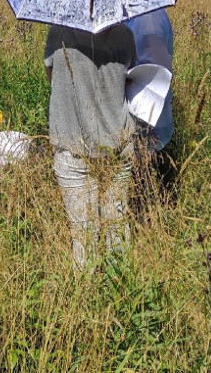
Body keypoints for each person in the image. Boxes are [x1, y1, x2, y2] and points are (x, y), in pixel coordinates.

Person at [43, 23, 140, 269]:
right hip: (117, 145)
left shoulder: (59, 32)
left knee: (83, 234)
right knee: (117, 228)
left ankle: (87, 299)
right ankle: (121, 291)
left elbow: (51, 76)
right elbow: (132, 78)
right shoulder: (125, 34)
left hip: (72, 145)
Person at [126, 9, 174, 150]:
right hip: (151, 115)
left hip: (148, 119)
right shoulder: (146, 13)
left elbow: (153, 72)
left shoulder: (146, 21)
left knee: (145, 166)